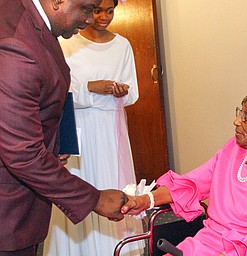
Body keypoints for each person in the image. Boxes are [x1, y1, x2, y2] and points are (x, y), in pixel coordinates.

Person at [0, 0, 128, 255]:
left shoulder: (25, 18)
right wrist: (96, 199)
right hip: (8, 211)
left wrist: (54, 144)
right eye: (87, 8)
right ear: (58, 1)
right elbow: (23, 154)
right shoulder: (18, 45)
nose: (91, 19)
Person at [122, 86, 247, 256]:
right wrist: (146, 200)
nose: (237, 121)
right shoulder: (234, 148)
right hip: (208, 240)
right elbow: (193, 183)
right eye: (240, 113)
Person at [43, 0, 143, 255]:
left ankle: (117, 247)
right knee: (82, 181)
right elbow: (58, 92)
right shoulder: (67, 42)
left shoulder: (122, 45)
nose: (103, 17)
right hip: (80, 127)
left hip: (111, 128)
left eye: (110, 11)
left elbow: (132, 94)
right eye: (97, 10)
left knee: (112, 179)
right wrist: (90, 87)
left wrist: (119, 91)